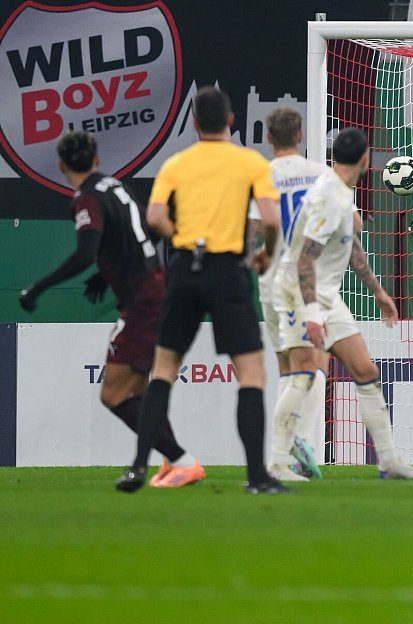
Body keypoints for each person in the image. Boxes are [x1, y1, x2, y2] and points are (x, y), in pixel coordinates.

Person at [114, 86, 286, 494]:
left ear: (194, 124)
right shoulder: (250, 161)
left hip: (184, 270)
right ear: (230, 121)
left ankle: (137, 467)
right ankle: (257, 478)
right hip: (228, 271)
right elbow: (271, 220)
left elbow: (155, 216)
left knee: (164, 370)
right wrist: (265, 253)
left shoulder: (177, 163)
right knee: (251, 373)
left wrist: (182, 238)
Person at [19, 131, 203, 488]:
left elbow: (86, 252)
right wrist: (105, 276)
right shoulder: (115, 187)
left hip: (142, 303)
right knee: (139, 390)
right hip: (154, 288)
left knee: (114, 394)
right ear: (98, 160)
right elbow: (147, 232)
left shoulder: (87, 199)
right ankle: (173, 463)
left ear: (61, 167)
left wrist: (37, 288)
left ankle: (183, 461)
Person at [270, 127, 413, 481]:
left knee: (365, 371)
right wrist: (312, 315)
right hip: (299, 293)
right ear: (366, 159)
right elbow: (304, 259)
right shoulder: (329, 197)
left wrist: (377, 291)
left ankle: (389, 462)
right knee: (303, 374)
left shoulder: (340, 193)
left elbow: (349, 245)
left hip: (326, 294)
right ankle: (276, 464)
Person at [247, 107, 331, 479]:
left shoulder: (262, 176)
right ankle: (296, 444)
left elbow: (254, 230)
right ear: (300, 135)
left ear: (269, 138)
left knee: (286, 365)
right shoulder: (321, 174)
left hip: (270, 280)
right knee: (312, 363)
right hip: (305, 282)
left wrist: (254, 257)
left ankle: (291, 449)